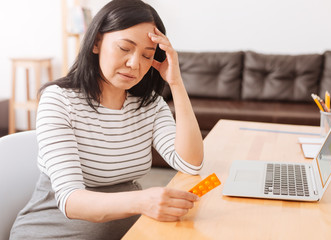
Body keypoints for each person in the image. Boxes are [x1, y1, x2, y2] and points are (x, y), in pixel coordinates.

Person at [9, 0, 203, 239]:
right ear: (96, 43)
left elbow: (190, 163)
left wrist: (176, 83)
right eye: (124, 48)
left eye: (147, 55)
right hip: (53, 232)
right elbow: (71, 200)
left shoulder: (149, 104)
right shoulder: (59, 100)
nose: (134, 64)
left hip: (126, 231)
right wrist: (142, 200)